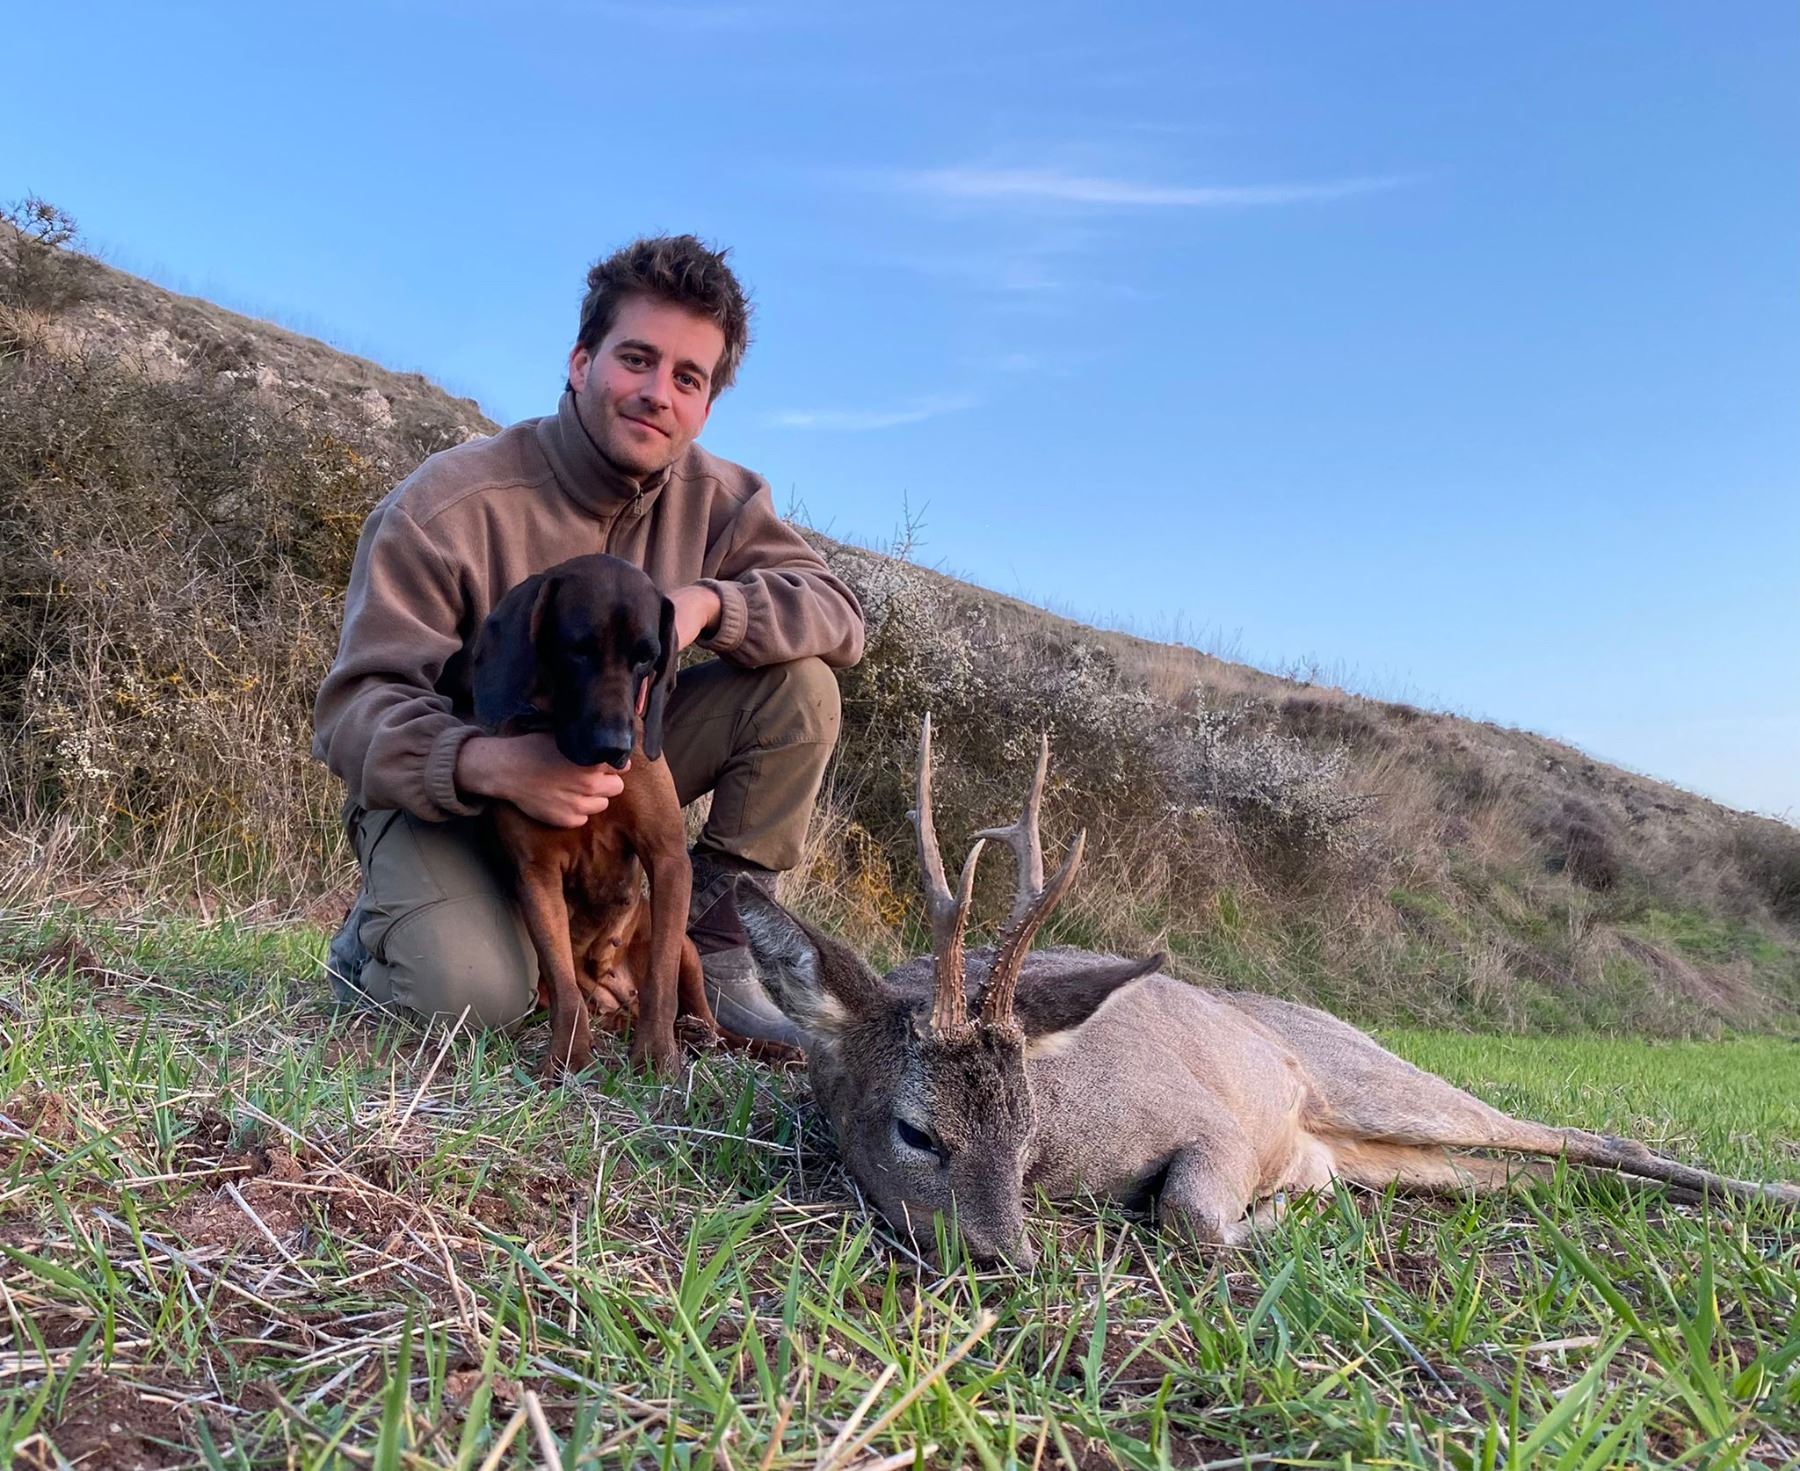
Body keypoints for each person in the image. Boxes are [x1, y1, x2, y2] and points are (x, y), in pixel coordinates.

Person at [312, 234, 864, 1048]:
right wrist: (488, 761)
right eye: (635, 359)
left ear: (706, 404)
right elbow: (352, 710)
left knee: (803, 689)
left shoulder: (721, 499)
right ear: (580, 361)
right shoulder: (450, 504)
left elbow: (838, 613)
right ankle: (386, 935)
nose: (656, 394)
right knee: (468, 997)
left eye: (687, 377)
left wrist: (707, 606)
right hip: (450, 797)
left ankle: (709, 948)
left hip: (616, 748)